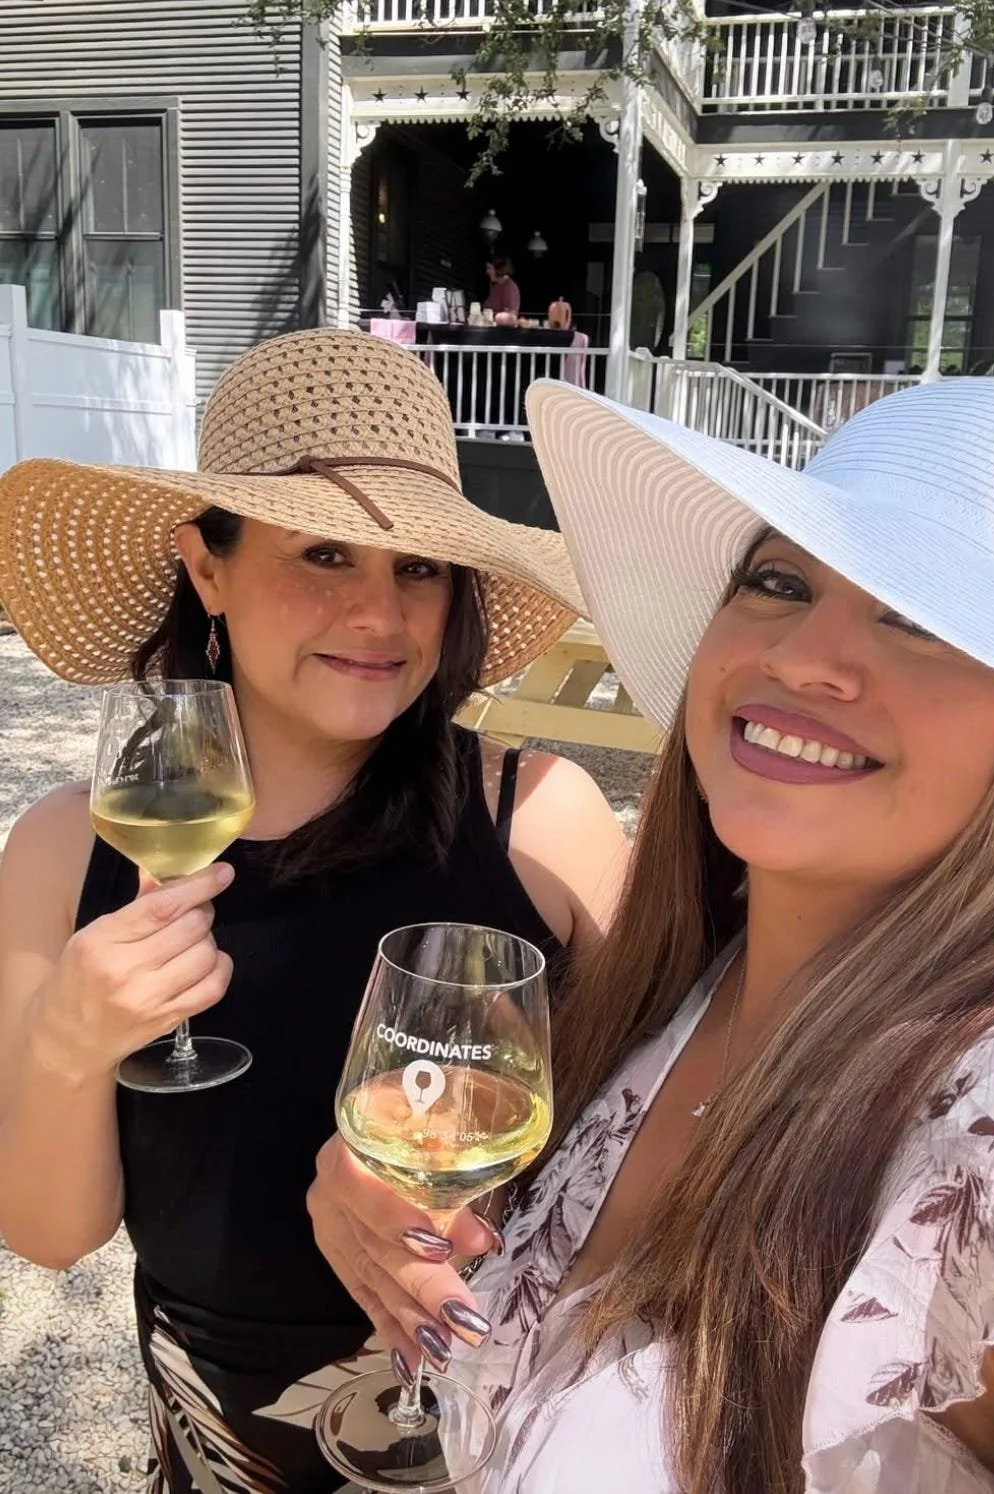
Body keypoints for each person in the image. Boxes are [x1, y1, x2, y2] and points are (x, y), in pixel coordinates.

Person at [309, 375, 994, 1492]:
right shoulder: (680, 982)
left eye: (920, 618)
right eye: (778, 582)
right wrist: (384, 1204)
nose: (803, 656)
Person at [0, 329, 627, 1493]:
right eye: (327, 554)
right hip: (219, 1452)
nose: (382, 616)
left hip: (497, 1440)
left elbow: (683, 1134)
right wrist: (68, 1042)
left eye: (419, 568)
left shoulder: (539, 821)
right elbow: (51, 1231)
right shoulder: (63, 851)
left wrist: (474, 1185)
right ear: (206, 568)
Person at [484, 256, 521, 321]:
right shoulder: (496, 287)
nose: (487, 272)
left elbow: (510, 317)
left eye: (489, 268)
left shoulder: (509, 288)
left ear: (498, 269)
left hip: (503, 331)